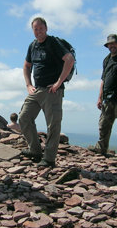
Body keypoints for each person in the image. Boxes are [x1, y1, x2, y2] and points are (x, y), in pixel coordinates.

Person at [19, 17, 75, 167]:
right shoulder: (33, 46)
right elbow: (26, 66)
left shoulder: (53, 43)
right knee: (24, 117)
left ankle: (49, 159)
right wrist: (28, 84)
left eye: (40, 28)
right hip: (37, 90)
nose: (38, 32)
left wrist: (58, 83)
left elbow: (69, 60)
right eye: (35, 29)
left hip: (52, 91)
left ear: (46, 29)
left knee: (53, 125)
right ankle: (35, 150)